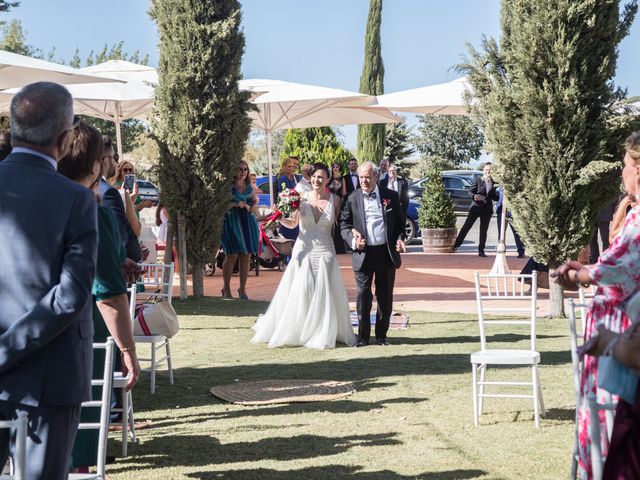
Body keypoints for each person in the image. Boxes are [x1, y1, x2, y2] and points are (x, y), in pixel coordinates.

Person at [0, 82, 98, 480]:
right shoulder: (75, 199)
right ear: (65, 136)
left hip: (47, 378)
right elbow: (70, 296)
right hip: (50, 376)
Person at [552, 131, 640, 480]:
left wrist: (583, 275)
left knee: (615, 423)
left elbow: (624, 266)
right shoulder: (632, 214)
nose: (621, 173)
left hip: (624, 336)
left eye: (624, 166)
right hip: (614, 332)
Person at [57, 121, 141, 472]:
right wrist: (128, 350)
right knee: (79, 433)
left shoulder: (34, 202)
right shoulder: (95, 212)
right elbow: (108, 293)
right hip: (84, 332)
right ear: (94, 165)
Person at [252, 163, 357, 349]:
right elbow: (292, 224)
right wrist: (279, 216)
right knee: (302, 288)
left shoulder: (335, 200)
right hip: (304, 248)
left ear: (327, 180)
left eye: (321, 177)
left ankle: (323, 329)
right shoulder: (301, 198)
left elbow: (340, 224)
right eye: (315, 176)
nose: (317, 180)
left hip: (325, 249)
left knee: (326, 289)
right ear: (311, 177)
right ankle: (299, 329)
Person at [340, 161, 406, 347]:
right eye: (361, 177)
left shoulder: (390, 196)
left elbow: (400, 224)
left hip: (385, 252)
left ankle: (382, 336)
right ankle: (362, 336)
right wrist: (354, 241)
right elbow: (344, 225)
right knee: (363, 295)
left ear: (376, 176)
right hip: (363, 253)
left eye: (367, 177)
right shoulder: (352, 198)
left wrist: (399, 239)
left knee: (384, 295)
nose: (364, 181)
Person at [99, 135, 142, 262]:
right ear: (106, 160)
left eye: (131, 170)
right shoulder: (111, 192)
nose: (115, 162)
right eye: (115, 157)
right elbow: (131, 234)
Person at [221, 160, 259, 300]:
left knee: (246, 255)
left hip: (247, 222)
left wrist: (253, 207)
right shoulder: (227, 187)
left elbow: (255, 200)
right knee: (231, 255)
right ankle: (226, 288)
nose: (243, 172)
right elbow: (221, 204)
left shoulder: (249, 186)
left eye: (245, 169)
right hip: (232, 221)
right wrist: (236, 203)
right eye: (240, 169)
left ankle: (242, 290)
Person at [453, 162, 499, 257]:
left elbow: (494, 196)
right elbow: (470, 191)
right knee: (467, 226)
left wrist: (501, 198)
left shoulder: (494, 182)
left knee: (484, 230)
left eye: (489, 170)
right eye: (486, 170)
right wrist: (474, 196)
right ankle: (456, 245)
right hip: (476, 207)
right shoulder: (478, 180)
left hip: (487, 209)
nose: (488, 172)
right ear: (483, 170)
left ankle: (481, 250)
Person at [273, 156, 301, 241]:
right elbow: (284, 193)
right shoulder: (282, 178)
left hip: (294, 209)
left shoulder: (293, 178)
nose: (291, 168)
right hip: (286, 209)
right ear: (284, 166)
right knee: (288, 238)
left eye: (292, 166)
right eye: (289, 166)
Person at [495, 186, 525, 258]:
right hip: (501, 210)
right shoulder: (499, 186)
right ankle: (501, 250)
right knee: (501, 232)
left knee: (516, 232)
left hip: (512, 211)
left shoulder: (512, 184)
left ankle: (521, 251)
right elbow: (496, 195)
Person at [328, 162, 346, 254]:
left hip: (339, 202)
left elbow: (344, 193)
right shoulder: (328, 179)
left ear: (339, 168)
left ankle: (338, 247)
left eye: (337, 166)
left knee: (338, 223)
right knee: (330, 222)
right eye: (333, 166)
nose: (335, 168)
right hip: (329, 202)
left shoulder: (342, 178)